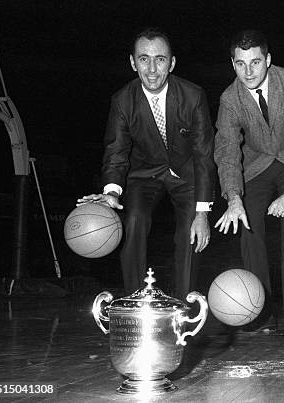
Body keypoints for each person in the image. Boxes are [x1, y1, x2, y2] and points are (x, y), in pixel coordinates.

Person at [77, 28, 215, 300]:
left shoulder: (193, 95)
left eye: (160, 59)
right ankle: (134, 303)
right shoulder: (121, 101)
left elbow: (203, 155)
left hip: (187, 176)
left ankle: (183, 307)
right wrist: (112, 193)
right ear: (132, 62)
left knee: (190, 232)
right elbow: (116, 151)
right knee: (135, 219)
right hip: (144, 175)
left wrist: (203, 213)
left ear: (172, 63)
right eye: (144, 59)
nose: (152, 69)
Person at [214, 30, 284, 338]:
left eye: (255, 62)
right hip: (254, 167)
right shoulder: (229, 98)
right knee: (247, 223)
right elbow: (227, 151)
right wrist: (233, 198)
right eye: (241, 64)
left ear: (267, 60)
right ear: (233, 64)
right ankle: (260, 309)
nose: (249, 72)